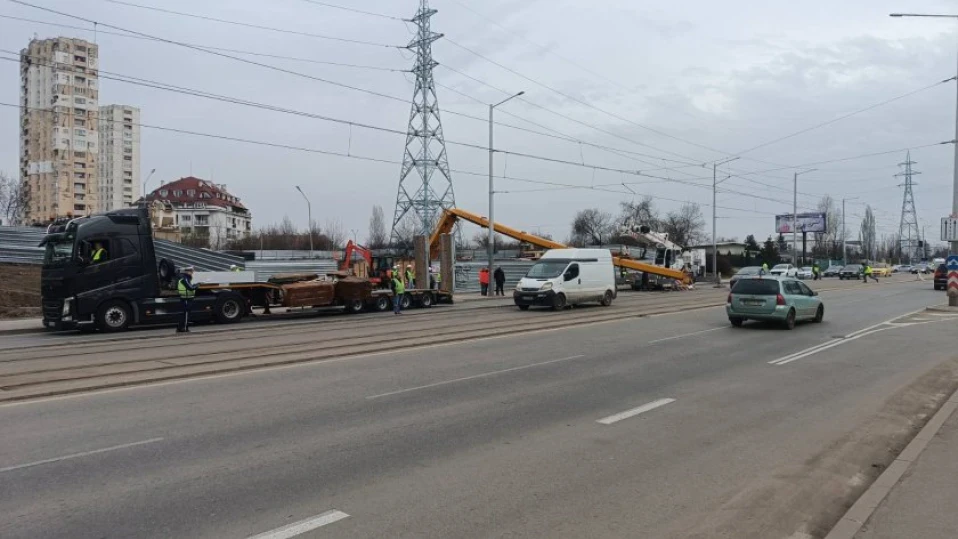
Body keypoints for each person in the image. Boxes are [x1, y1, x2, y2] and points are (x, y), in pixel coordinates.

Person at [176, 266, 198, 333]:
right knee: (186, 314)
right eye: (191, 271)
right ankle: (185, 328)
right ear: (187, 272)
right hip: (186, 298)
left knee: (184, 314)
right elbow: (190, 288)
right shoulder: (185, 279)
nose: (192, 273)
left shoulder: (186, 278)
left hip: (187, 298)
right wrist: (197, 285)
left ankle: (180, 328)